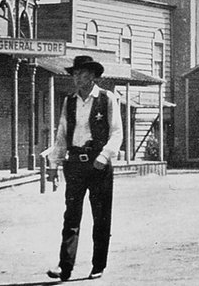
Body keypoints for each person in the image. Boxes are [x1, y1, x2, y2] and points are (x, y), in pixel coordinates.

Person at [43, 55, 123, 281]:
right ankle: (64, 267)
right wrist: (54, 164)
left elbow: (117, 132)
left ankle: (98, 265)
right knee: (71, 216)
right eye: (74, 74)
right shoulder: (70, 101)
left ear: (93, 76)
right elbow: (61, 134)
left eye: (81, 73)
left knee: (101, 217)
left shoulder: (106, 99)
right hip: (75, 163)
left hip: (99, 165)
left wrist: (105, 156)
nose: (76, 77)